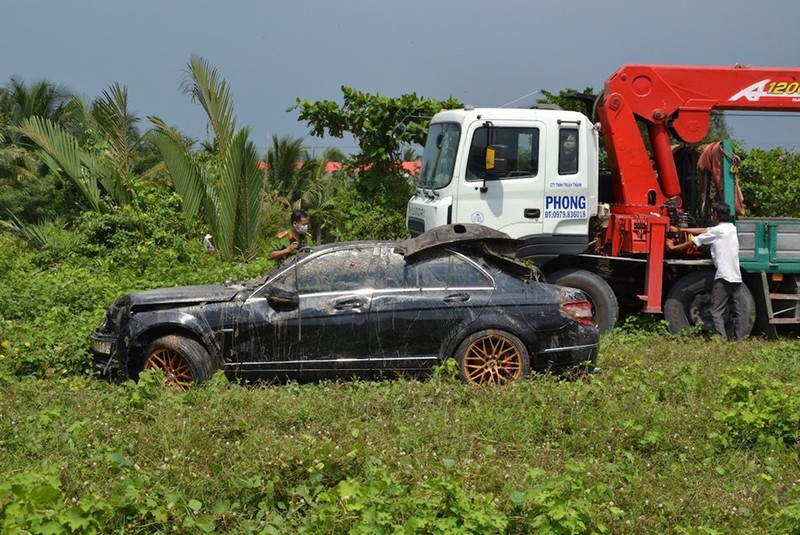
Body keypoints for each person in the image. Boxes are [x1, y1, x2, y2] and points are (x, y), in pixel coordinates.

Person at [666, 202, 747, 341]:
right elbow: (706, 230)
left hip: (723, 277)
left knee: (716, 310)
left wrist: (673, 248)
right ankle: (738, 340)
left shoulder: (717, 232)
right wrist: (681, 230)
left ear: (715, 214)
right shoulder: (731, 228)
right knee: (737, 310)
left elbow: (694, 242)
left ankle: (722, 341)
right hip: (736, 277)